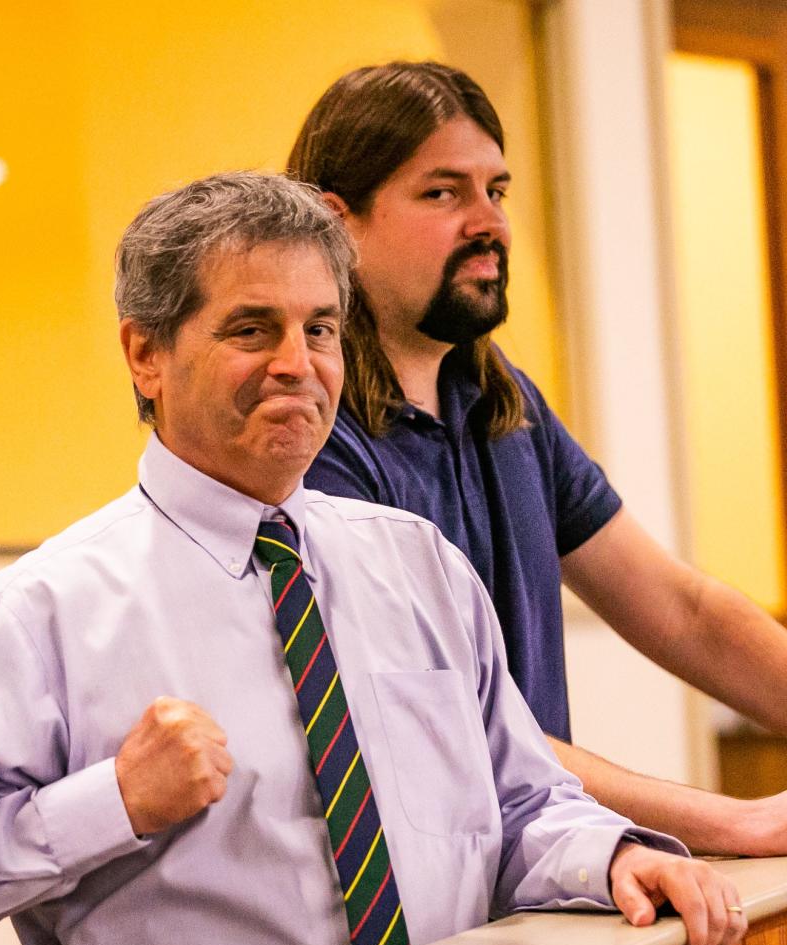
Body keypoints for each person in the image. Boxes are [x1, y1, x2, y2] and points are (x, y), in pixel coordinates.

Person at [0, 173, 745, 945]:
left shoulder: (420, 567)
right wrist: (111, 801)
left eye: (320, 328)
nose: (298, 364)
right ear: (146, 353)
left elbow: (521, 804)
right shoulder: (39, 615)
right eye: (251, 329)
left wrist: (619, 856)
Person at [289, 61, 787, 857]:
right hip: (420, 918)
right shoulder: (313, 443)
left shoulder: (504, 407)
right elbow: (455, 728)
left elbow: (680, 610)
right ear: (337, 223)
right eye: (443, 192)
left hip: (542, 873)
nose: (488, 223)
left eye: (498, 190)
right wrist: (738, 821)